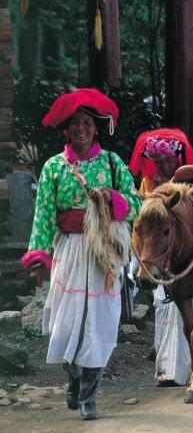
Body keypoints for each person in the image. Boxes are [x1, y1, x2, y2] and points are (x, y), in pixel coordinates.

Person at [21, 89, 142, 420]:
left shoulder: (112, 163)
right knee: (66, 324)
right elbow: (43, 215)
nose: (81, 129)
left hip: (103, 253)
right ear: (67, 129)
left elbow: (136, 204)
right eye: (75, 124)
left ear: (96, 127)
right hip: (69, 251)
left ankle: (90, 396)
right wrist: (38, 257)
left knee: (98, 325)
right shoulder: (54, 168)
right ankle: (73, 378)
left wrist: (111, 198)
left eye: (87, 123)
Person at [129, 128, 193, 386]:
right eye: (157, 160)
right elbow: (139, 226)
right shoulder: (146, 186)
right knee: (162, 308)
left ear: (178, 160)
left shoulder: (191, 184)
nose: (162, 165)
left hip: (184, 258)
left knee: (190, 311)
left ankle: (189, 369)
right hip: (154, 256)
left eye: (167, 160)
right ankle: (165, 368)